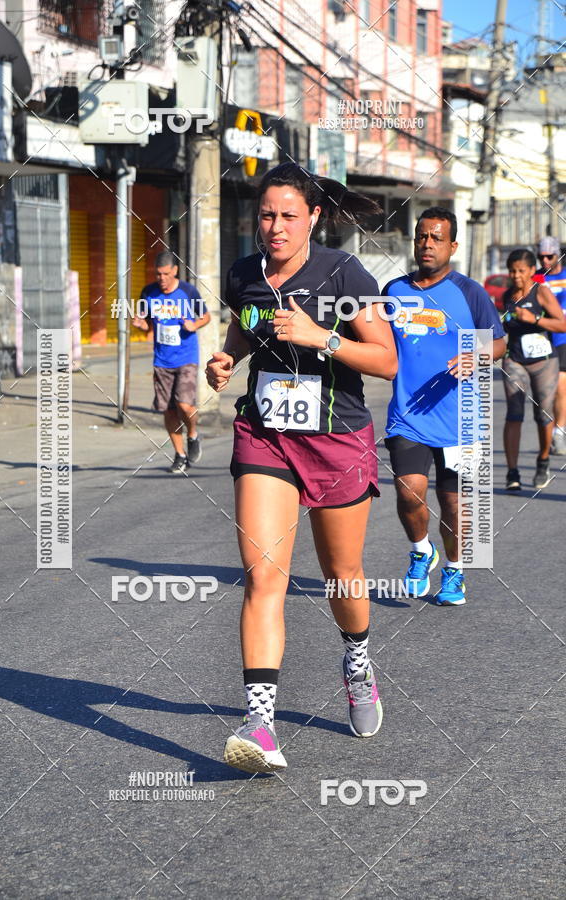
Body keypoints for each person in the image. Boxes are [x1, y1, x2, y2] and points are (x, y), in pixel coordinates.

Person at [206, 162, 397, 774]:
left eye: (289, 215)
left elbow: (387, 361)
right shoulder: (243, 273)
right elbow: (246, 326)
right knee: (265, 577)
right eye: (267, 215)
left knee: (343, 573)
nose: (276, 226)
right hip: (265, 437)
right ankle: (259, 725)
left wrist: (322, 337)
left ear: (314, 217)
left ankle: (358, 660)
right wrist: (226, 359)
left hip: (337, 438)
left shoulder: (343, 272)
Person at [383, 207, 505, 606]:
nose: (427, 244)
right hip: (408, 415)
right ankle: (422, 552)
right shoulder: (393, 291)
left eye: (436, 238)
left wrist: (478, 356)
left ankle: (454, 569)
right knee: (408, 492)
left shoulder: (470, 293)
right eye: (422, 236)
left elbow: (499, 342)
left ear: (453, 245)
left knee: (453, 504)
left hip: (461, 420)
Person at [133, 251, 210, 473]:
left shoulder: (188, 291)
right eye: (158, 275)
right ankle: (180, 454)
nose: (162, 279)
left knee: (185, 404)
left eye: (166, 274)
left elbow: (206, 316)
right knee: (168, 410)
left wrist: (194, 325)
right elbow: (147, 323)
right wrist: (142, 326)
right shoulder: (148, 293)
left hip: (186, 357)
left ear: (175, 270)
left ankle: (193, 435)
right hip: (161, 359)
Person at [501, 248, 566, 490]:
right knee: (514, 412)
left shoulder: (542, 292)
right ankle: (512, 472)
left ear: (531, 271)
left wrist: (535, 320)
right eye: (512, 271)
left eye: (521, 271)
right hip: (515, 359)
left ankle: (543, 461)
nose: (516, 276)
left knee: (543, 414)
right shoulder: (508, 296)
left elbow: (562, 324)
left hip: (544, 361)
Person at [534, 237, 566, 455]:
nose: (545, 261)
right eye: (541, 256)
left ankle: (559, 432)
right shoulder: (536, 277)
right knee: (548, 390)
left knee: (562, 385)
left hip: (563, 337)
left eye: (550, 256)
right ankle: (549, 430)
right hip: (543, 336)